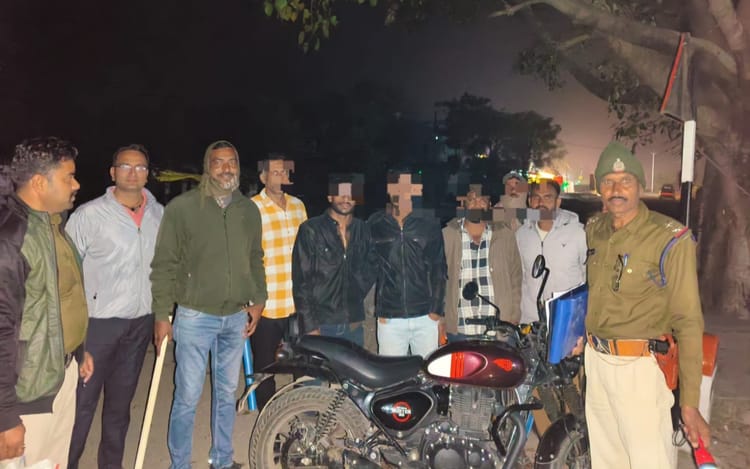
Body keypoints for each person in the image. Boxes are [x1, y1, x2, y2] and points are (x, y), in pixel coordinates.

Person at [584, 141, 709, 468]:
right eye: (608, 182)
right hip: (596, 363)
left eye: (625, 181)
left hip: (640, 370)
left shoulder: (669, 238)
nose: (616, 190)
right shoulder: (595, 230)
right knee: (606, 461)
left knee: (648, 461)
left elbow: (688, 320)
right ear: (599, 188)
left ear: (639, 185)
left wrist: (690, 402)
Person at [150, 140, 266, 469]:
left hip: (235, 316)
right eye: (219, 162)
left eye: (232, 162)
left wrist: (259, 299)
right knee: (187, 396)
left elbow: (255, 258)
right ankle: (180, 464)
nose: (226, 168)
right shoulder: (183, 208)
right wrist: (162, 314)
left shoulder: (248, 210)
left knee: (226, 394)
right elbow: (164, 264)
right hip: (194, 316)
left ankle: (222, 460)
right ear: (207, 167)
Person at [65, 144, 163, 469]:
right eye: (125, 166)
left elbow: (166, 267)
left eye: (140, 167)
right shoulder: (89, 215)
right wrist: (75, 329)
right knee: (80, 406)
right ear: (112, 172)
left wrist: (161, 314)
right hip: (97, 325)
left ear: (148, 174)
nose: (133, 173)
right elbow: (67, 272)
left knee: (120, 408)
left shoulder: (158, 215)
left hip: (139, 323)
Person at [0, 137, 94, 468]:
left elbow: (59, 299)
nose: (76, 184)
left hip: (59, 374)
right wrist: (6, 416)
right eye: (69, 177)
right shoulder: (11, 237)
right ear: (40, 183)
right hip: (27, 394)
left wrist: (77, 350)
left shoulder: (51, 223)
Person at [368, 171, 446, 357]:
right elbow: (368, 268)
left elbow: (439, 268)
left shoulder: (428, 223)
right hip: (390, 318)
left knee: (427, 371)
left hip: (425, 316)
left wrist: (436, 311)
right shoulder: (376, 224)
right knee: (391, 372)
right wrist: (379, 309)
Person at [250, 154, 307, 410]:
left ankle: (303, 411)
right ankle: (268, 414)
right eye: (275, 172)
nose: (282, 176)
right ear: (263, 177)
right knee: (265, 366)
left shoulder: (298, 206)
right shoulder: (252, 208)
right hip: (267, 304)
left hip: (297, 302)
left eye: (285, 172)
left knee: (302, 363)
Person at [292, 175, 375, 346]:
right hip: (322, 324)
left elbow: (372, 267)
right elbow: (301, 282)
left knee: (355, 365)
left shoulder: (363, 229)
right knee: (322, 366)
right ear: (330, 197)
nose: (346, 198)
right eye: (340, 193)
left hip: (353, 324)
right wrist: (309, 325)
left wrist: (357, 291)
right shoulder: (311, 230)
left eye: (351, 194)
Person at [442, 186, 522, 341]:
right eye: (472, 200)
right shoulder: (447, 235)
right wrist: (442, 318)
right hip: (460, 328)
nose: (476, 204)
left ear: (490, 205)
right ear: (464, 204)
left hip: (498, 326)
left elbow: (516, 276)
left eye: (482, 200)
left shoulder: (505, 235)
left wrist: (514, 314)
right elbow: (438, 278)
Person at [515, 179, 586, 324]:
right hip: (532, 321)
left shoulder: (578, 233)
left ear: (557, 202)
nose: (541, 203)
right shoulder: (521, 234)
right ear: (529, 201)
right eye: (536, 197)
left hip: (567, 319)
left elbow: (587, 275)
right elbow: (521, 277)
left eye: (547, 197)